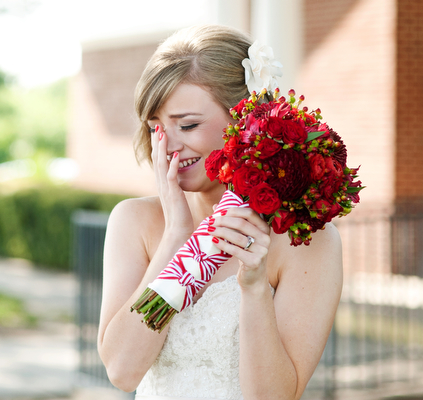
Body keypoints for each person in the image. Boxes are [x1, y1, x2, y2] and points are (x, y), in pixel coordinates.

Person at [97, 24, 343, 400]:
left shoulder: (307, 242)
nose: (169, 146)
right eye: (154, 128)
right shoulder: (134, 222)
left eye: (188, 125)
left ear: (243, 118)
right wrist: (175, 241)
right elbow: (122, 370)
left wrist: (255, 288)